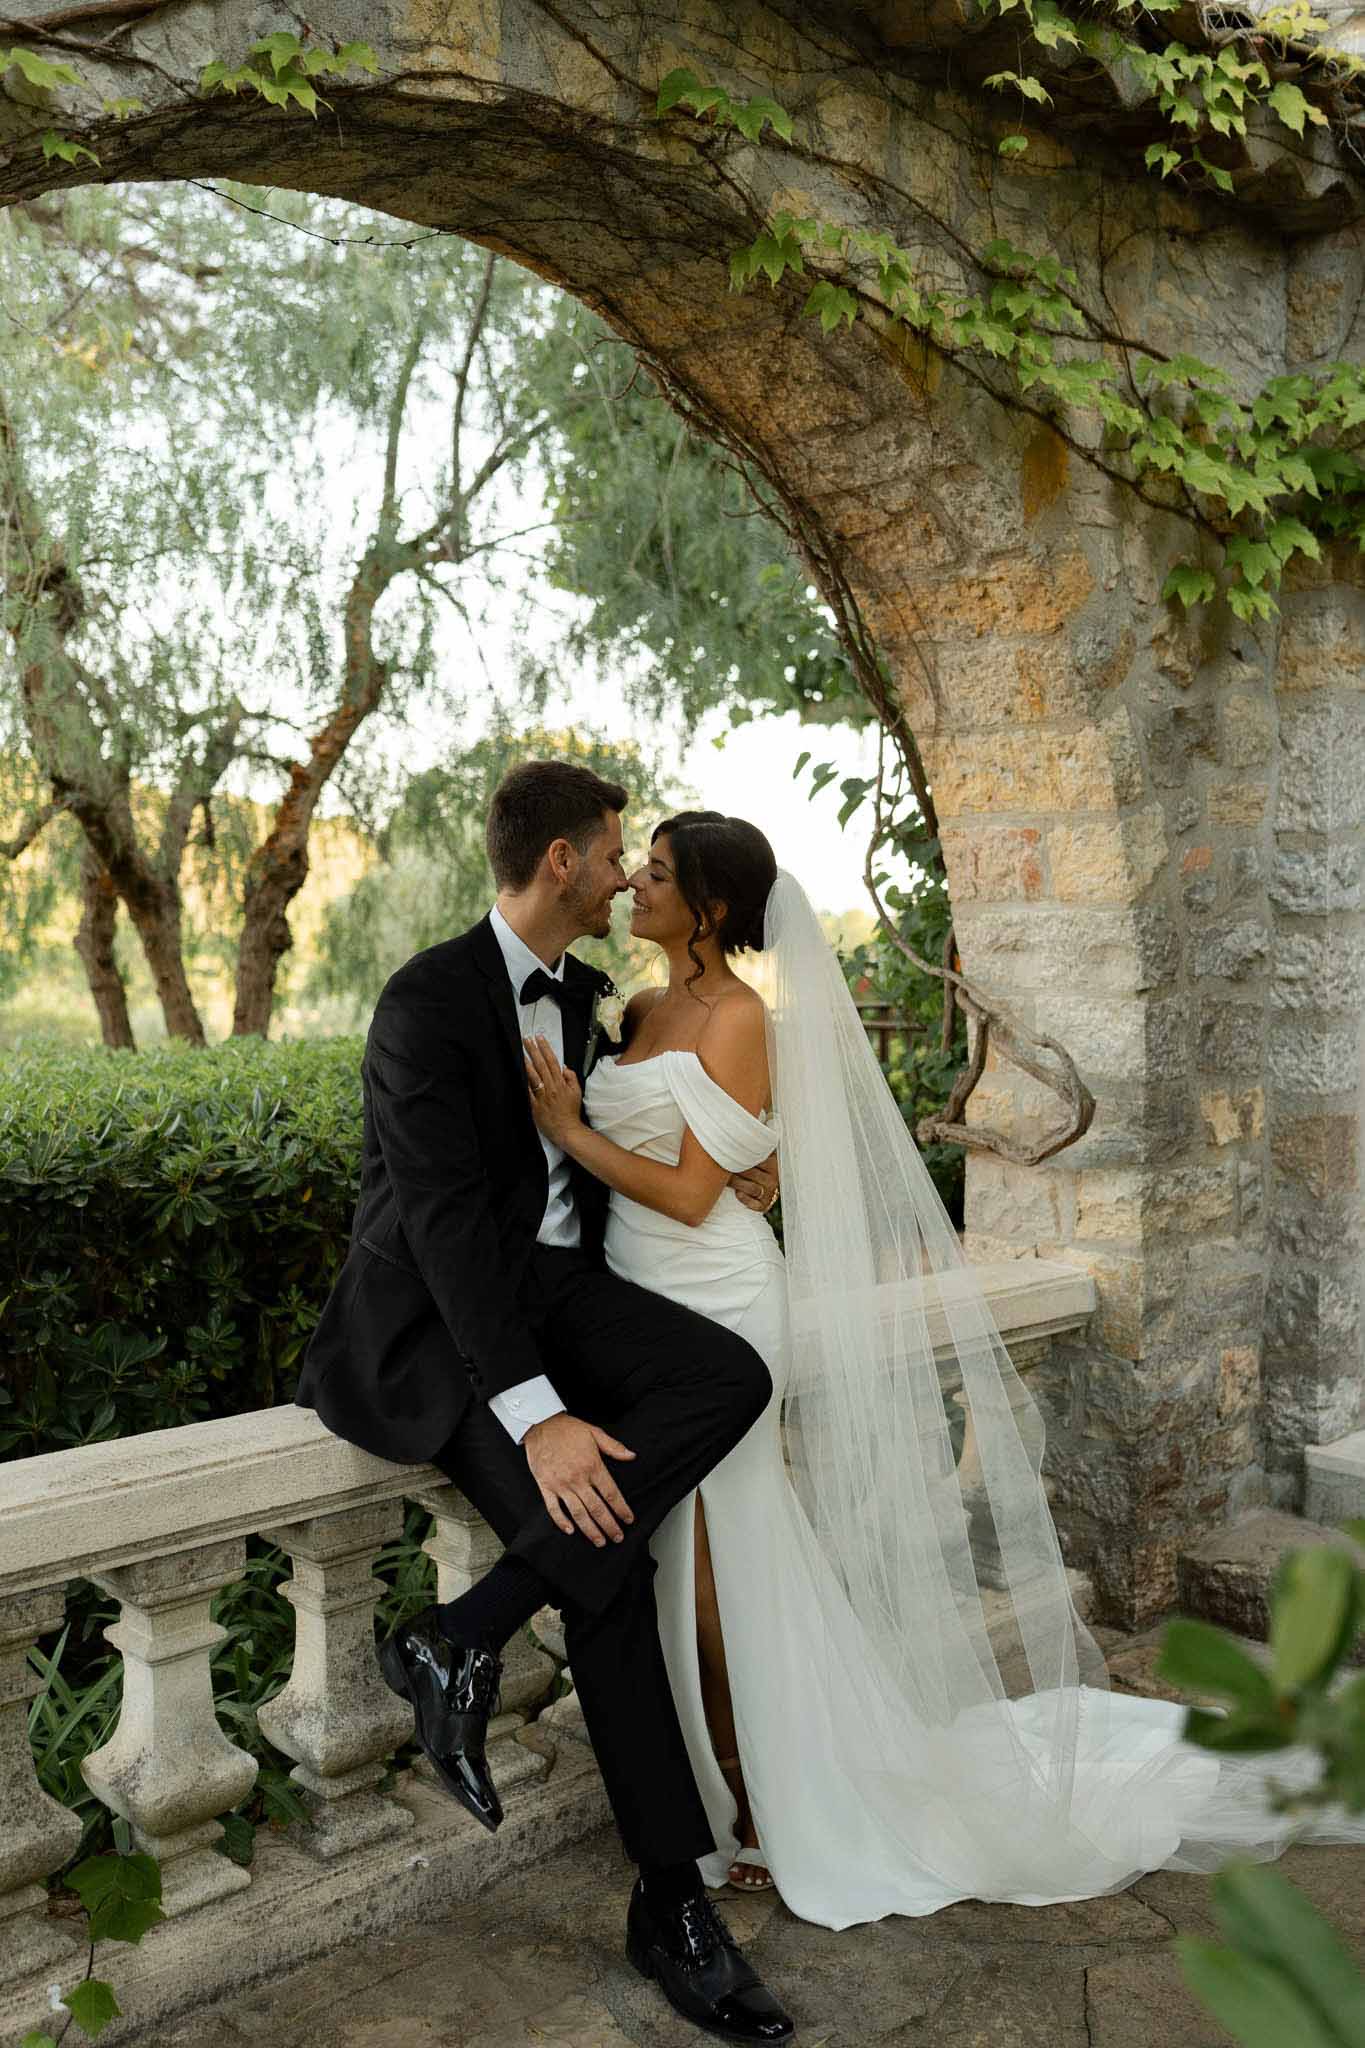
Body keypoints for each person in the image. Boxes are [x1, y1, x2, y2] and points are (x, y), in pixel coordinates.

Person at [522, 808, 1365, 1930]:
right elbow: (725, 1154)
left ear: (711, 909)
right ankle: (729, 1786)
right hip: (639, 1311)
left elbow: (684, 1189)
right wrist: (728, 1162)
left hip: (722, 1308)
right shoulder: (632, 1009)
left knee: (724, 1572)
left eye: (659, 875)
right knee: (687, 1560)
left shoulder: (738, 1016)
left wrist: (574, 1129)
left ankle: (774, 1801)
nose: (635, 888)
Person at [297, 763, 796, 2044]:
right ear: (563, 862)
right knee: (610, 1568)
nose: (632, 874)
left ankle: (461, 1629)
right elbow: (451, 1232)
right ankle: (674, 1903)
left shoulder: (590, 998)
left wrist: (751, 1161)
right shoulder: (422, 1002)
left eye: (649, 863)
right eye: (619, 854)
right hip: (448, 1334)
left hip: (573, 1288)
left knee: (731, 1373)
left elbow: (672, 1133)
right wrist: (540, 1410)